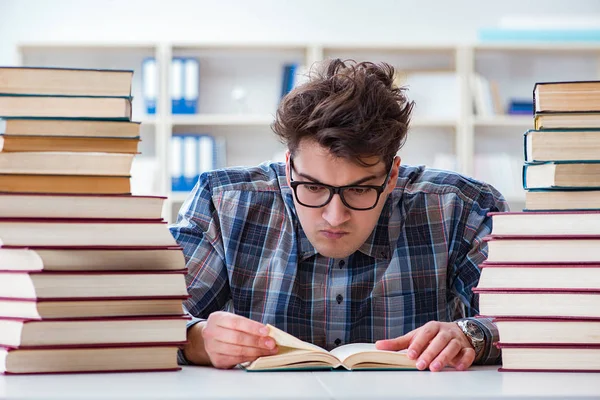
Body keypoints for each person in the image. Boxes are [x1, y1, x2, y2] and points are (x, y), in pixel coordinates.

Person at [170, 59, 508, 372]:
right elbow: (151, 316)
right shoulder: (223, 202)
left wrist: (470, 336)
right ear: (289, 168)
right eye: (314, 188)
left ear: (391, 176)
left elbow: (529, 320)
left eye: (359, 190)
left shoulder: (463, 207)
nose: (334, 217)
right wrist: (198, 339)